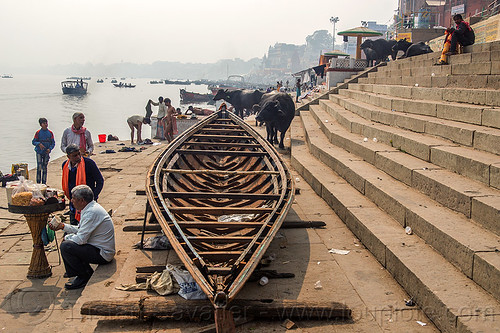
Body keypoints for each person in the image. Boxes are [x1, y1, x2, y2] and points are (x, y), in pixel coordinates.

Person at [49, 185, 115, 290]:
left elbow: (80, 239)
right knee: (68, 240)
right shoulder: (89, 208)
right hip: (97, 247)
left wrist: (67, 238)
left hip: (103, 253)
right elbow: (80, 229)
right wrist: (63, 226)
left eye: (74, 199)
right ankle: (82, 271)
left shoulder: (91, 212)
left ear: (82, 200)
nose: (72, 201)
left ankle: (83, 276)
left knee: (67, 246)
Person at [62, 144, 104, 226]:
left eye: (79, 154)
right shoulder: (65, 165)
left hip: (87, 202)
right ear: (68, 156)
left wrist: (93, 197)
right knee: (73, 226)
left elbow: (100, 181)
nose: (78, 157)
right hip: (74, 202)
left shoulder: (89, 163)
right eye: (74, 156)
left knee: (88, 226)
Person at [32, 118, 55, 184]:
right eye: (44, 123)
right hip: (39, 152)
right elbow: (33, 142)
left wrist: (50, 149)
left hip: (46, 152)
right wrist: (39, 144)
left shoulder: (50, 133)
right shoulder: (38, 133)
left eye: (46, 123)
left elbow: (53, 143)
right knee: (39, 167)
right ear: (41, 124)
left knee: (45, 167)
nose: (46, 124)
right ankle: (38, 182)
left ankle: (44, 182)